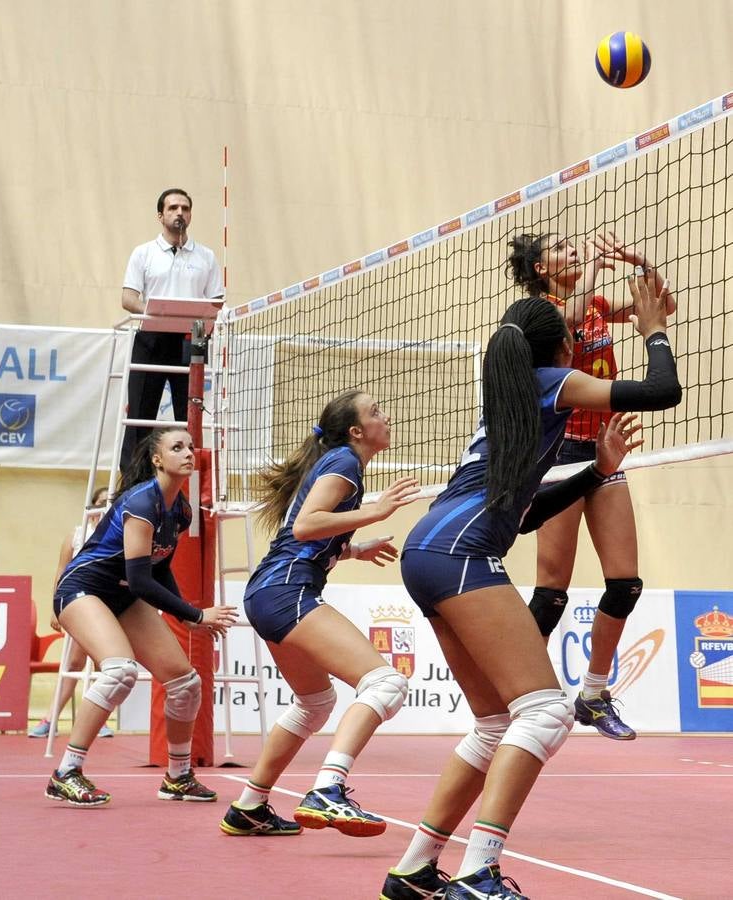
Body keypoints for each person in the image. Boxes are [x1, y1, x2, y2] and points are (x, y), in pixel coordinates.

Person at [381, 273, 681, 899]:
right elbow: (661, 390)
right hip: (459, 552)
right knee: (544, 711)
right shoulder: (553, 381)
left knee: (495, 724)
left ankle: (415, 868)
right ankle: (479, 871)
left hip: (429, 548)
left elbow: (528, 513)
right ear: (564, 346)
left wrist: (597, 471)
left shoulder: (509, 405)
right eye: (573, 335)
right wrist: (653, 328)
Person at [219, 390, 419, 838]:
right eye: (375, 411)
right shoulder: (345, 464)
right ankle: (329, 789)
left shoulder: (339, 464)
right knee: (385, 682)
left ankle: (249, 806)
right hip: (286, 591)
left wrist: (349, 549)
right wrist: (376, 512)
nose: (385, 416)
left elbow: (303, 538)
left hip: (271, 589)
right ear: (355, 431)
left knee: (316, 703)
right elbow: (307, 525)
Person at [506, 231, 675, 740]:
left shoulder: (595, 300)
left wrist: (644, 266)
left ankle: (594, 695)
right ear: (540, 269)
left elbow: (662, 307)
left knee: (626, 583)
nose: (574, 251)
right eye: (560, 248)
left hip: (602, 446)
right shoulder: (537, 314)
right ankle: (520, 694)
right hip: (556, 455)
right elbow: (570, 321)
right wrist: (597, 270)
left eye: (573, 246)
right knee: (552, 591)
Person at [45, 426, 238, 807]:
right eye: (177, 447)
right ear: (156, 459)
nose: (188, 452)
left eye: (190, 446)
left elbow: (159, 565)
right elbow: (139, 580)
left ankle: (178, 776)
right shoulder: (143, 503)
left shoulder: (179, 510)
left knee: (185, 683)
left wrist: (182, 613)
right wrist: (196, 614)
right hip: (82, 590)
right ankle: (66, 772)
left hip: (123, 593)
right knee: (120, 670)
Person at [119, 188, 224, 472]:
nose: (180, 213)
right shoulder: (144, 253)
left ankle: (189, 485)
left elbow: (217, 302)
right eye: (173, 208)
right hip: (151, 339)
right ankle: (133, 481)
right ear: (160, 215)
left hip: (190, 343)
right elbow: (128, 298)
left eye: (185, 208)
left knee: (189, 417)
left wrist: (193, 317)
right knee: (140, 416)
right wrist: (159, 314)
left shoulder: (206, 256)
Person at [30, 487, 114, 739]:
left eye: (110, 502)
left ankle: (98, 720)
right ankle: (51, 718)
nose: (105, 507)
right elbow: (61, 572)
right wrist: (57, 609)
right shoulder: (77, 536)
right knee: (75, 663)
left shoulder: (119, 533)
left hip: (111, 605)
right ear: (92, 506)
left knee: (106, 665)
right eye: (101, 502)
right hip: (81, 605)